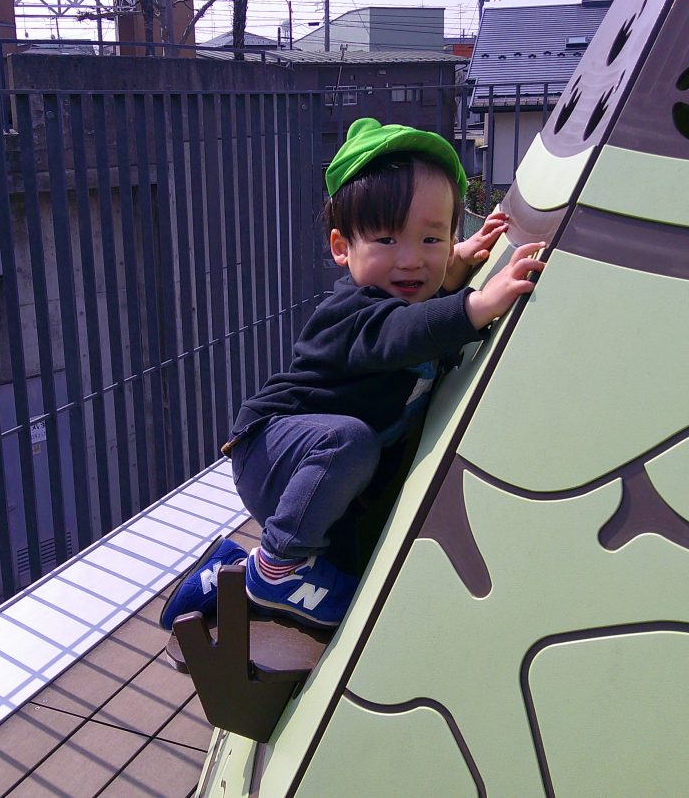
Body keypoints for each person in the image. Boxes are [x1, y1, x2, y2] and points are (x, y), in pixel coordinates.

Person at [160, 117, 545, 630]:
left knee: (356, 554)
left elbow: (423, 304)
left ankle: (228, 571)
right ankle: (274, 569)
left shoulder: (414, 293)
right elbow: (402, 331)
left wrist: (457, 263)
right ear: (342, 247)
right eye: (386, 239)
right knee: (350, 443)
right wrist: (477, 304)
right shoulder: (350, 312)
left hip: (326, 470)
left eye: (431, 238)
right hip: (272, 448)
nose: (411, 260)